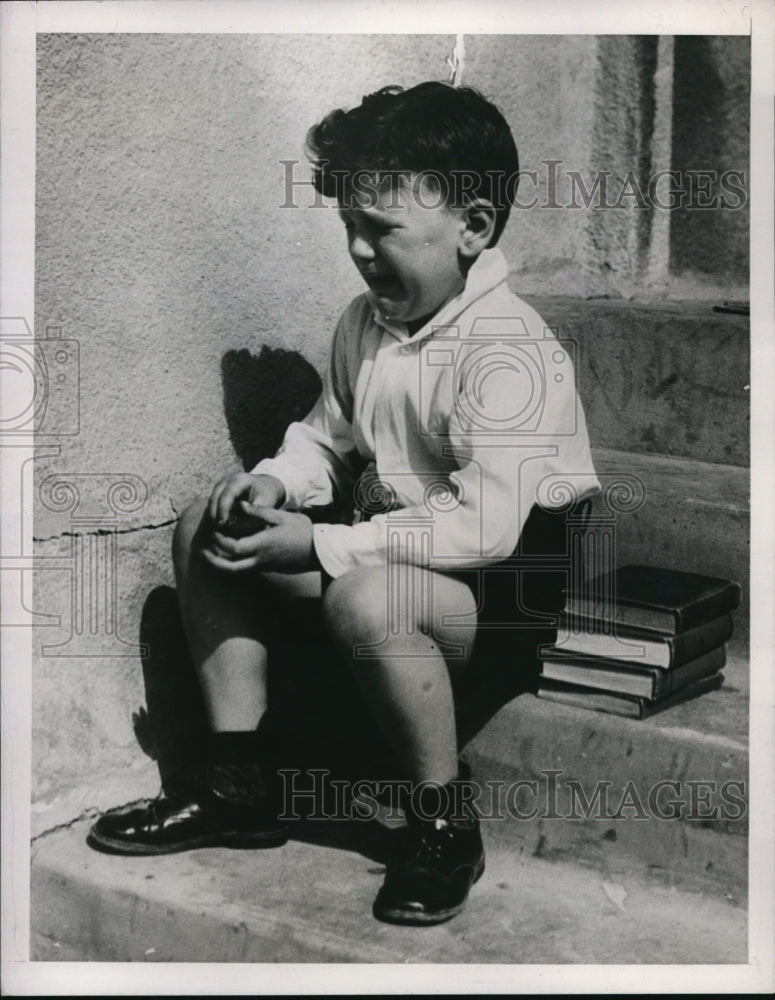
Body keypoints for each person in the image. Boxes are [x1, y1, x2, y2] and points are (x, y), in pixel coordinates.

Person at [89, 81, 600, 926]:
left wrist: (324, 550)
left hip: (506, 589)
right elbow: (326, 439)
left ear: (473, 228)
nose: (361, 252)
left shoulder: (509, 349)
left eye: (384, 230)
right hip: (401, 556)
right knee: (204, 528)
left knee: (371, 591)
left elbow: (486, 525)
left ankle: (441, 819)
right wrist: (276, 484)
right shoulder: (366, 324)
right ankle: (237, 778)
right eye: (349, 230)